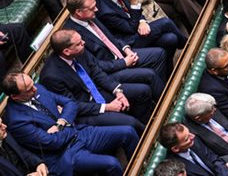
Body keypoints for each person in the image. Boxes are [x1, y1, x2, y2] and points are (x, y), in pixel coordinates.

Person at [1, 72, 139, 176]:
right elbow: (51, 142)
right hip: (64, 154)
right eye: (29, 90)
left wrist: (61, 122)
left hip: (80, 133)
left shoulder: (38, 88)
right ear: (15, 97)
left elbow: (70, 103)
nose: (35, 89)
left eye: (33, 84)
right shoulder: (15, 120)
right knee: (112, 164)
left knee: (128, 132)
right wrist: (67, 122)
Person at [39, 29, 151, 129]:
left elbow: (97, 73)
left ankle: (144, 124)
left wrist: (117, 91)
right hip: (86, 110)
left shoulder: (80, 50)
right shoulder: (51, 76)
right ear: (67, 51)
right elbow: (72, 105)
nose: (83, 43)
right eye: (79, 43)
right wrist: (107, 107)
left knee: (143, 91)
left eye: (81, 40)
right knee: (130, 123)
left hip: (98, 91)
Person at [94, 0, 184, 66]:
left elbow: (137, 13)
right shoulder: (105, 11)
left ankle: (169, 73)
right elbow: (130, 28)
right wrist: (134, 2)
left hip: (137, 30)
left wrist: (142, 21)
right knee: (165, 23)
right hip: (129, 42)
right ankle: (187, 45)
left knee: (171, 39)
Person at [158, 121, 228, 176]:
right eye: (187, 138)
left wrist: (225, 172)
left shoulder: (194, 142)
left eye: (189, 133)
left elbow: (214, 159)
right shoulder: (175, 167)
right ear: (176, 149)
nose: (193, 136)